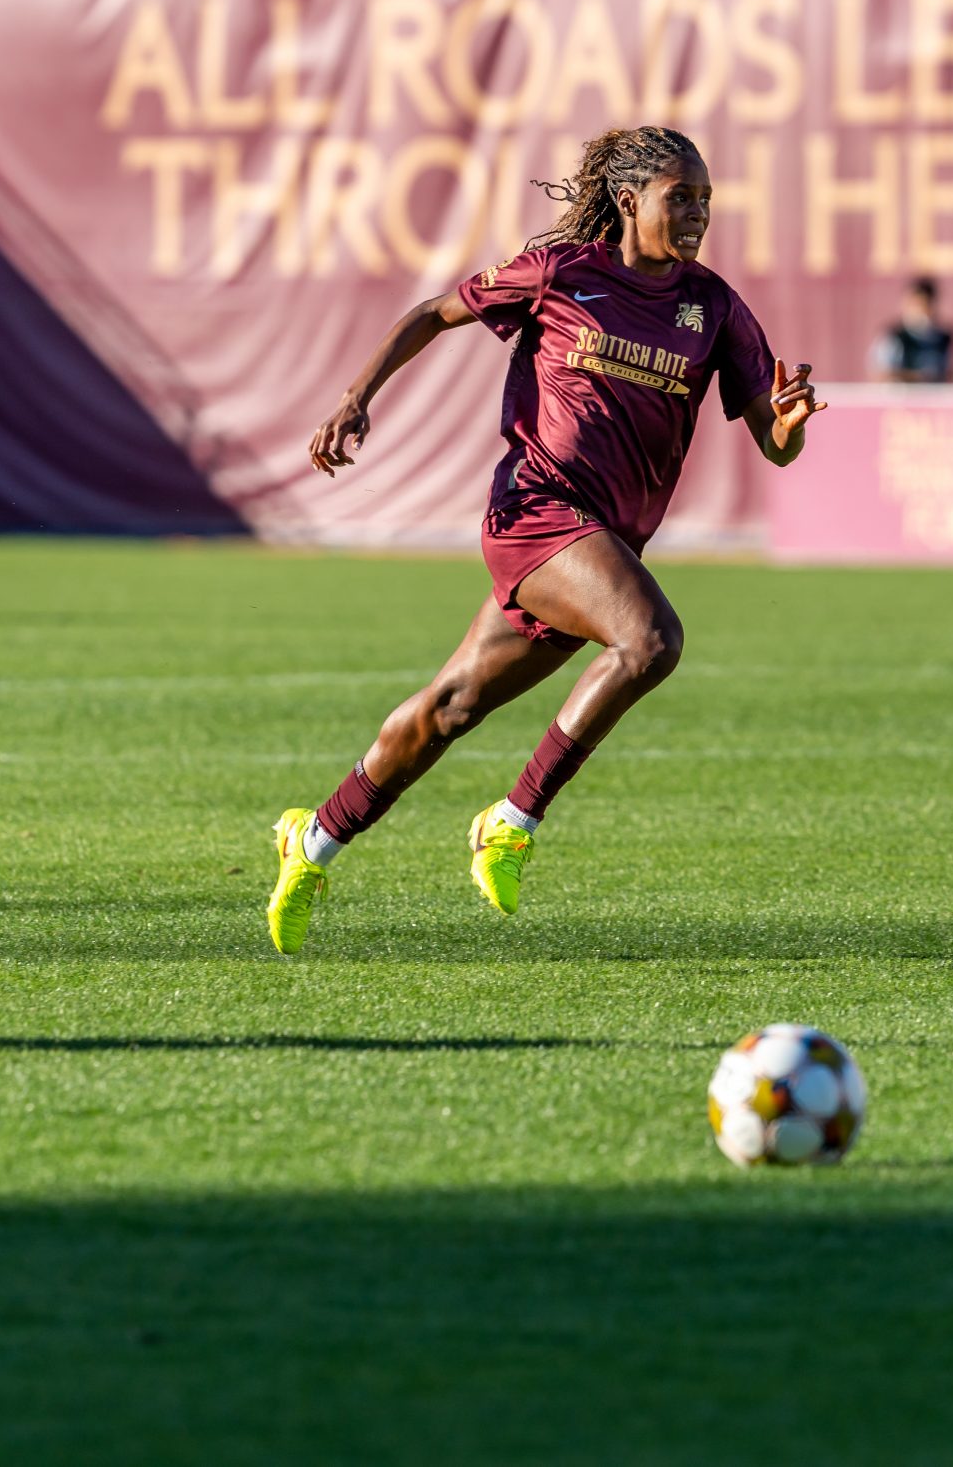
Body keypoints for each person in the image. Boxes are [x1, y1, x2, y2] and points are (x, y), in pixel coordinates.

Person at [263, 126, 826, 954]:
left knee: (449, 709)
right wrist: (356, 397)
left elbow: (774, 445)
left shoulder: (714, 308)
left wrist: (790, 423)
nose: (699, 212)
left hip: (600, 547)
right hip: (535, 510)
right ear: (629, 200)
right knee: (651, 640)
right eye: (681, 196)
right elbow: (433, 313)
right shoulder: (562, 272)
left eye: (706, 198)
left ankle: (312, 839)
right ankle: (512, 820)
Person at [872, 277, 953, 383]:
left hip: (935, 393)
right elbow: (881, 374)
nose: (920, 310)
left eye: (925, 305)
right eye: (916, 305)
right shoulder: (894, 337)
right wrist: (917, 377)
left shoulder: (944, 338)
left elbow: (950, 374)